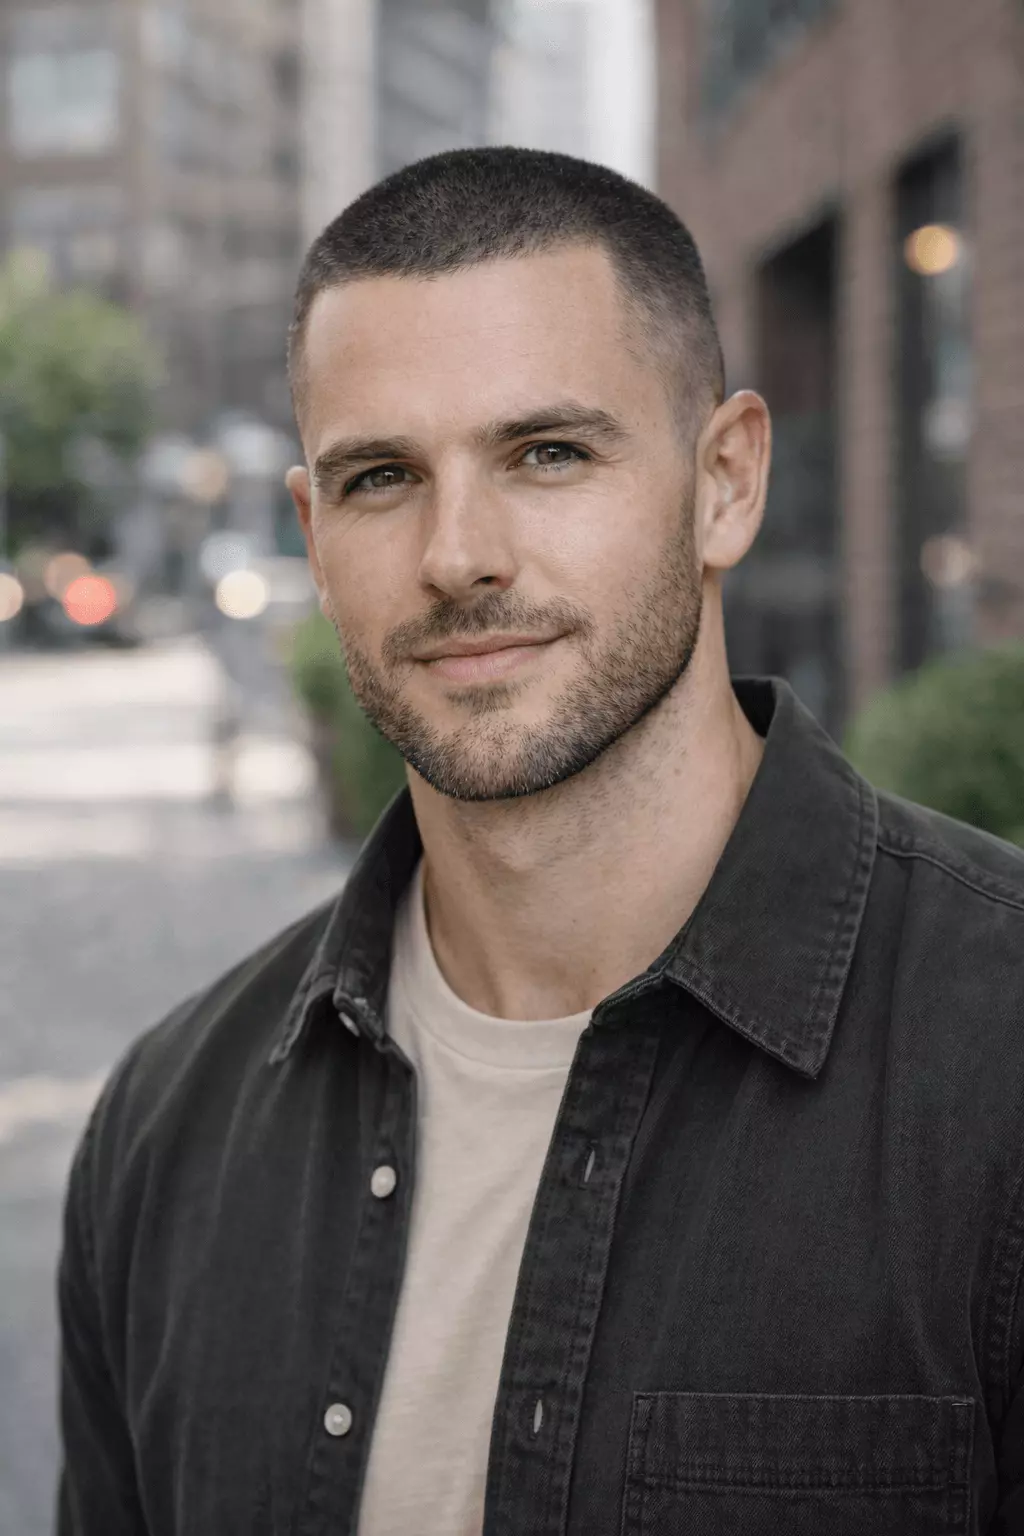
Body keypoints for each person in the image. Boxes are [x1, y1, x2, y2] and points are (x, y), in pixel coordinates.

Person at [56, 148, 1024, 1536]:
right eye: (383, 476)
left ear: (726, 483)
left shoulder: (996, 1061)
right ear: (316, 539)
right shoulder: (165, 1134)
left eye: (548, 452)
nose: (461, 554)